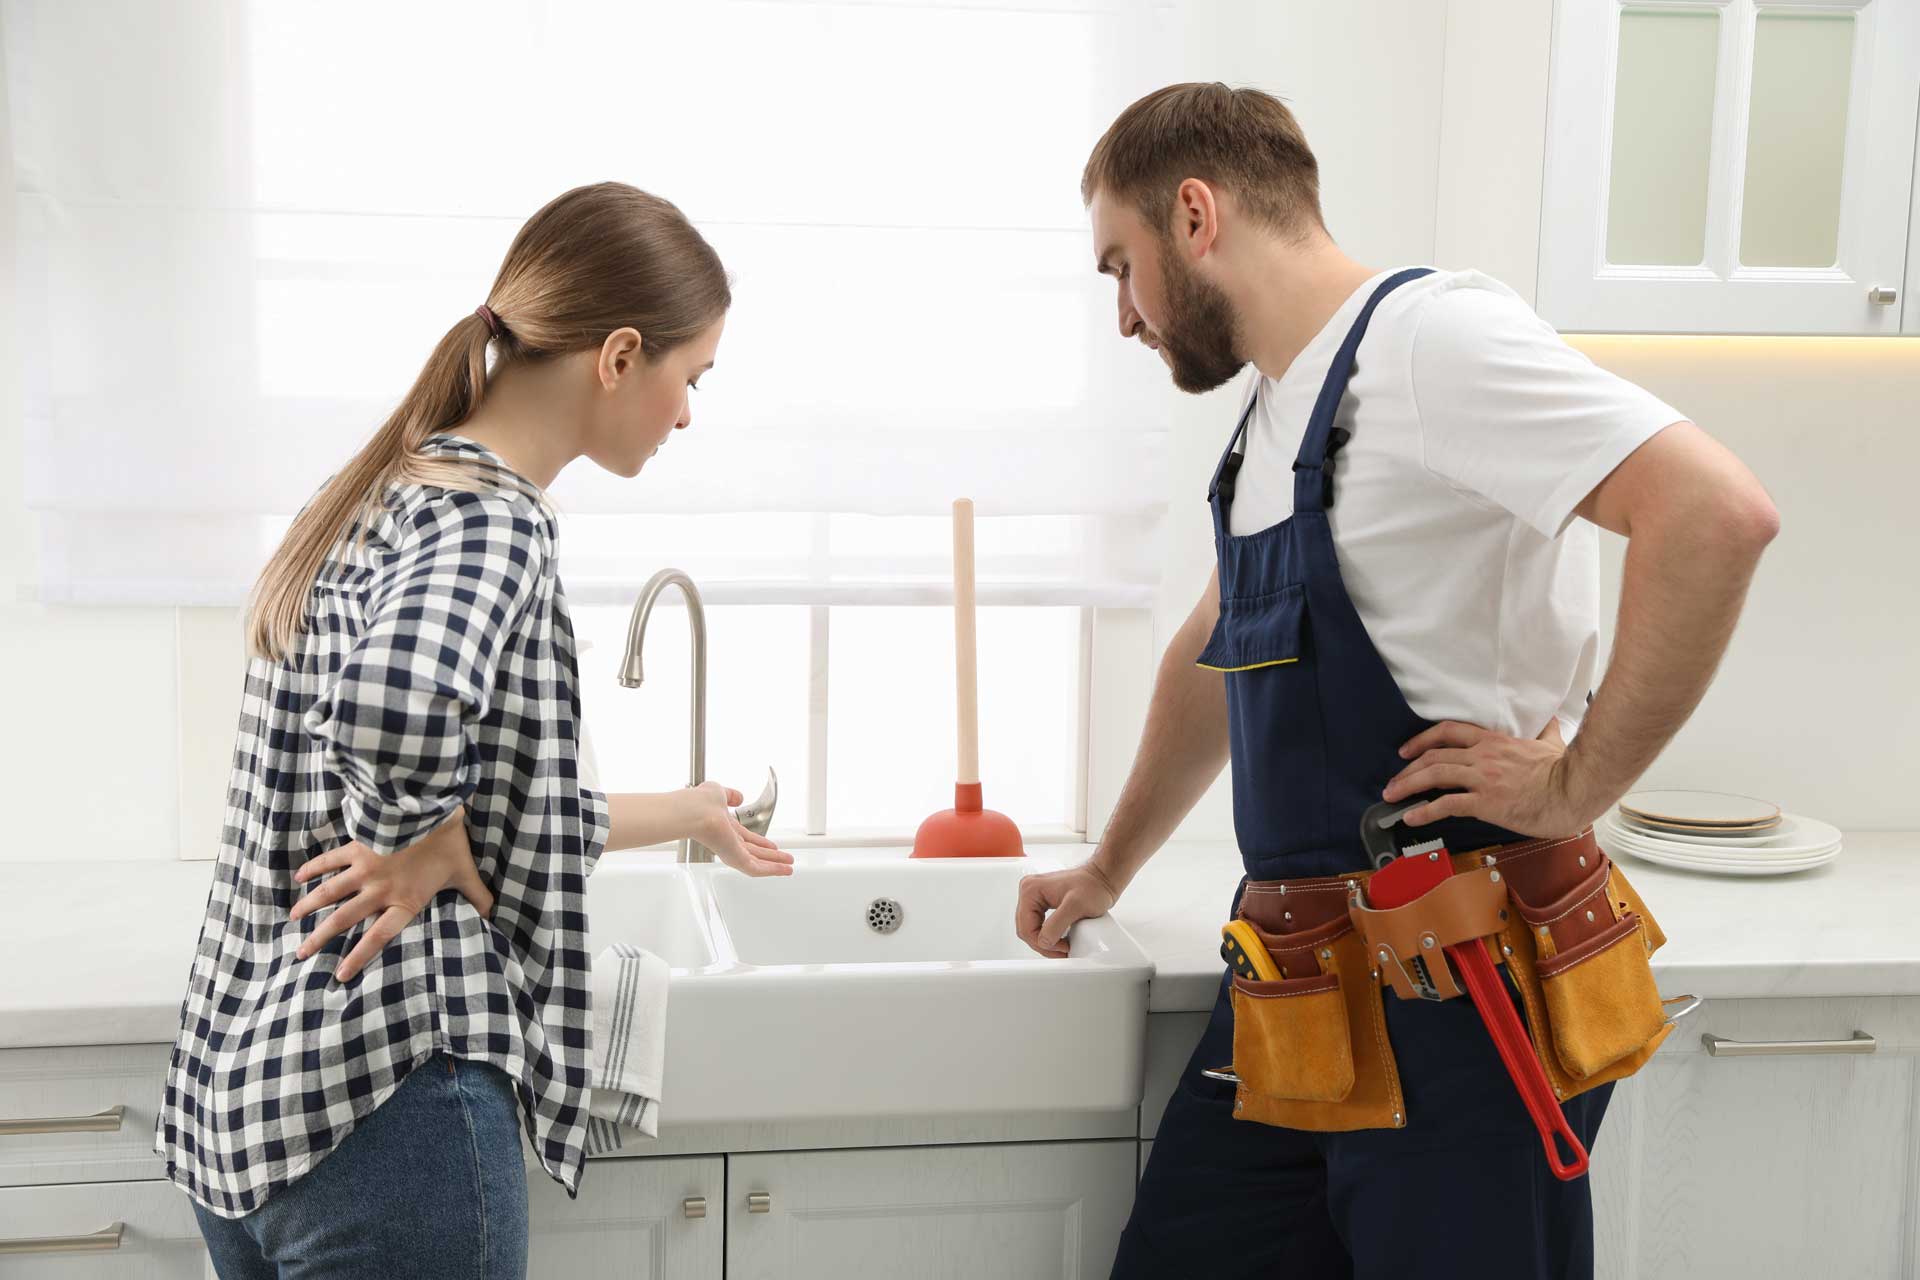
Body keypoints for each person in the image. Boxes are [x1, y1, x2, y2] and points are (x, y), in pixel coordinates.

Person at [1014, 84, 1779, 1279]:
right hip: (1301, 990)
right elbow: (1214, 655)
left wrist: (1580, 780)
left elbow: (1715, 511)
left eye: (1123, 264)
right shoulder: (1282, 405)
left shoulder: (1434, 343)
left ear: (1197, 215)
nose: (1125, 314)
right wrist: (1110, 864)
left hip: (1469, 991)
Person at [158, 182, 793, 1280]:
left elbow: (488, 808)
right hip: (396, 1104)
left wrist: (682, 810)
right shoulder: (495, 517)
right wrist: (433, 838)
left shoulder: (376, 489)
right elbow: (394, 708)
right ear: (619, 354)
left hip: (253, 1113)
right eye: (691, 379)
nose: (688, 413)